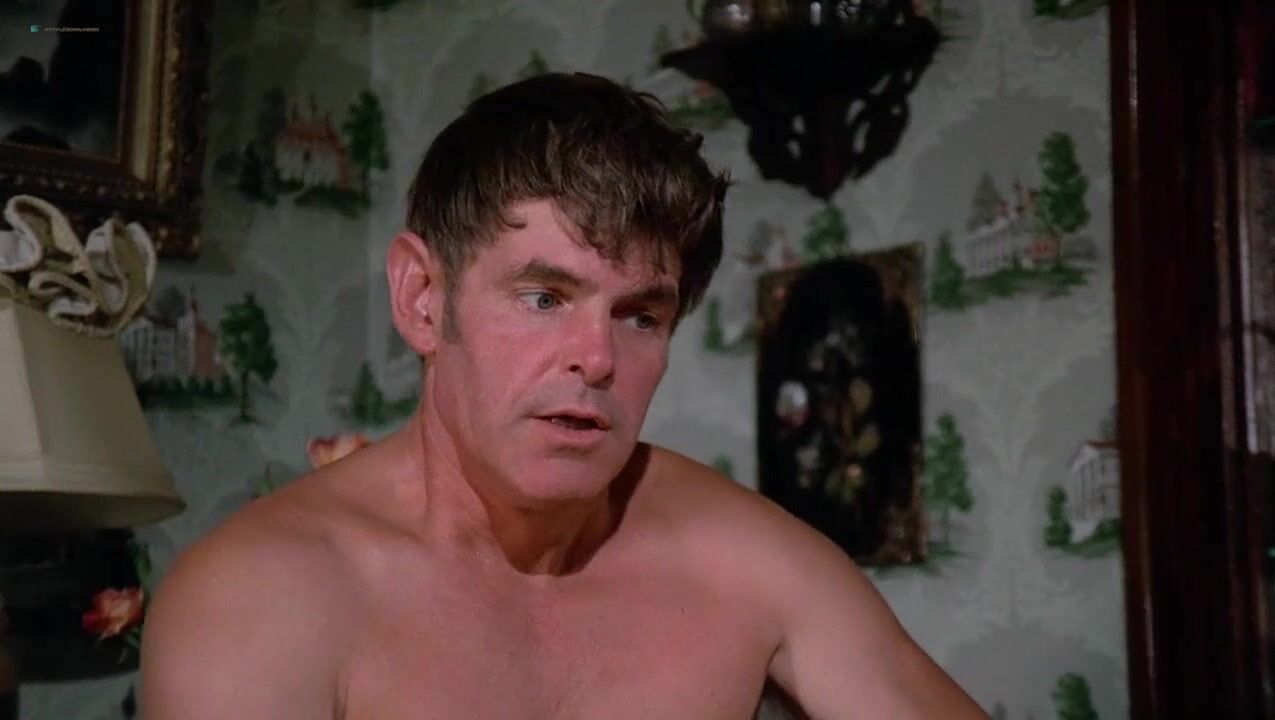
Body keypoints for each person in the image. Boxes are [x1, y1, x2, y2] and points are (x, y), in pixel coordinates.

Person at [140, 72, 988, 720]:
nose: (596, 358)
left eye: (640, 315)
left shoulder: (750, 561)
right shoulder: (264, 596)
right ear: (423, 300)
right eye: (544, 297)